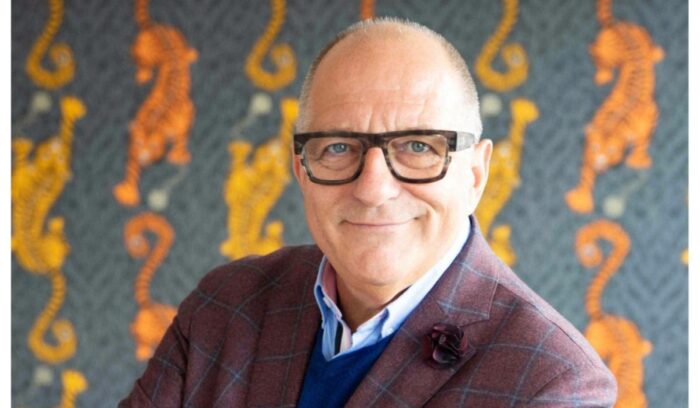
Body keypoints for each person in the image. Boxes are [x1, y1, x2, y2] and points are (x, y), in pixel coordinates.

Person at [121, 17, 617, 407]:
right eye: (338, 147)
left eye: (419, 146)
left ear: (475, 173)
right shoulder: (224, 307)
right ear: (301, 169)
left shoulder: (552, 381)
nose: (373, 188)